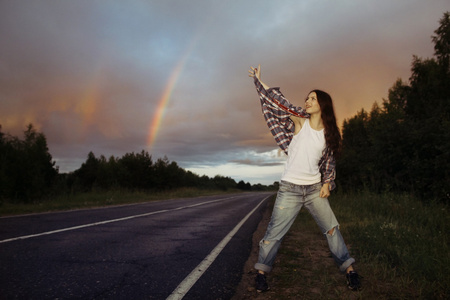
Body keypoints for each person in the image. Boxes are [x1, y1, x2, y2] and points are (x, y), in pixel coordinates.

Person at [248, 64, 361, 292]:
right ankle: (261, 273)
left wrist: (328, 182)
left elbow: (329, 162)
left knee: (331, 229)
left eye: (312, 98)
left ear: (323, 105)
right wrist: (260, 81)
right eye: (307, 98)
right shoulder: (299, 120)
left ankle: (350, 271)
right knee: (274, 232)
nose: (307, 101)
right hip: (290, 188)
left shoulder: (330, 134)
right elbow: (278, 101)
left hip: (313, 189)